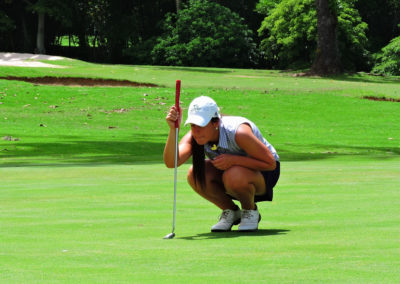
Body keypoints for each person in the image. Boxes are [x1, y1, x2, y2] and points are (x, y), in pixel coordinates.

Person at [164, 96, 280, 232]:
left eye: (201, 125)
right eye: (193, 125)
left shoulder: (238, 131)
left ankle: (250, 211)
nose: (196, 130)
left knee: (234, 174)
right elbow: (172, 162)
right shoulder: (194, 136)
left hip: (264, 174)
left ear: (215, 123)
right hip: (231, 176)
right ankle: (231, 212)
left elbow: (270, 163)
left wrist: (233, 160)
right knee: (194, 173)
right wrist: (173, 129)